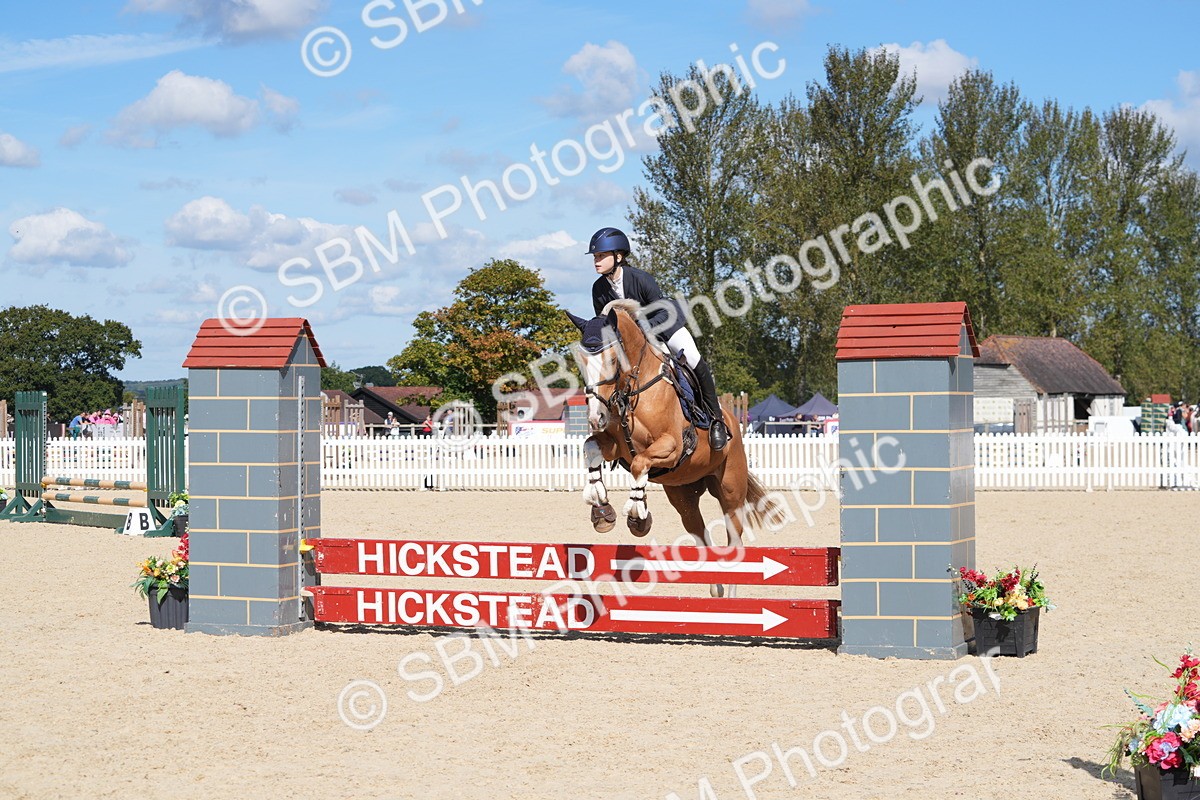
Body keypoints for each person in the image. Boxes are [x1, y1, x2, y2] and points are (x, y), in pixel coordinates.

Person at [587, 226, 729, 451]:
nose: (596, 261)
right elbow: (604, 325)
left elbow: (664, 312)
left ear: (618, 256)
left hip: (666, 328)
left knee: (693, 360)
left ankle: (716, 420)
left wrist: (643, 331)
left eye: (601, 256)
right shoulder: (598, 289)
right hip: (633, 344)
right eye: (595, 256)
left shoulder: (640, 279)